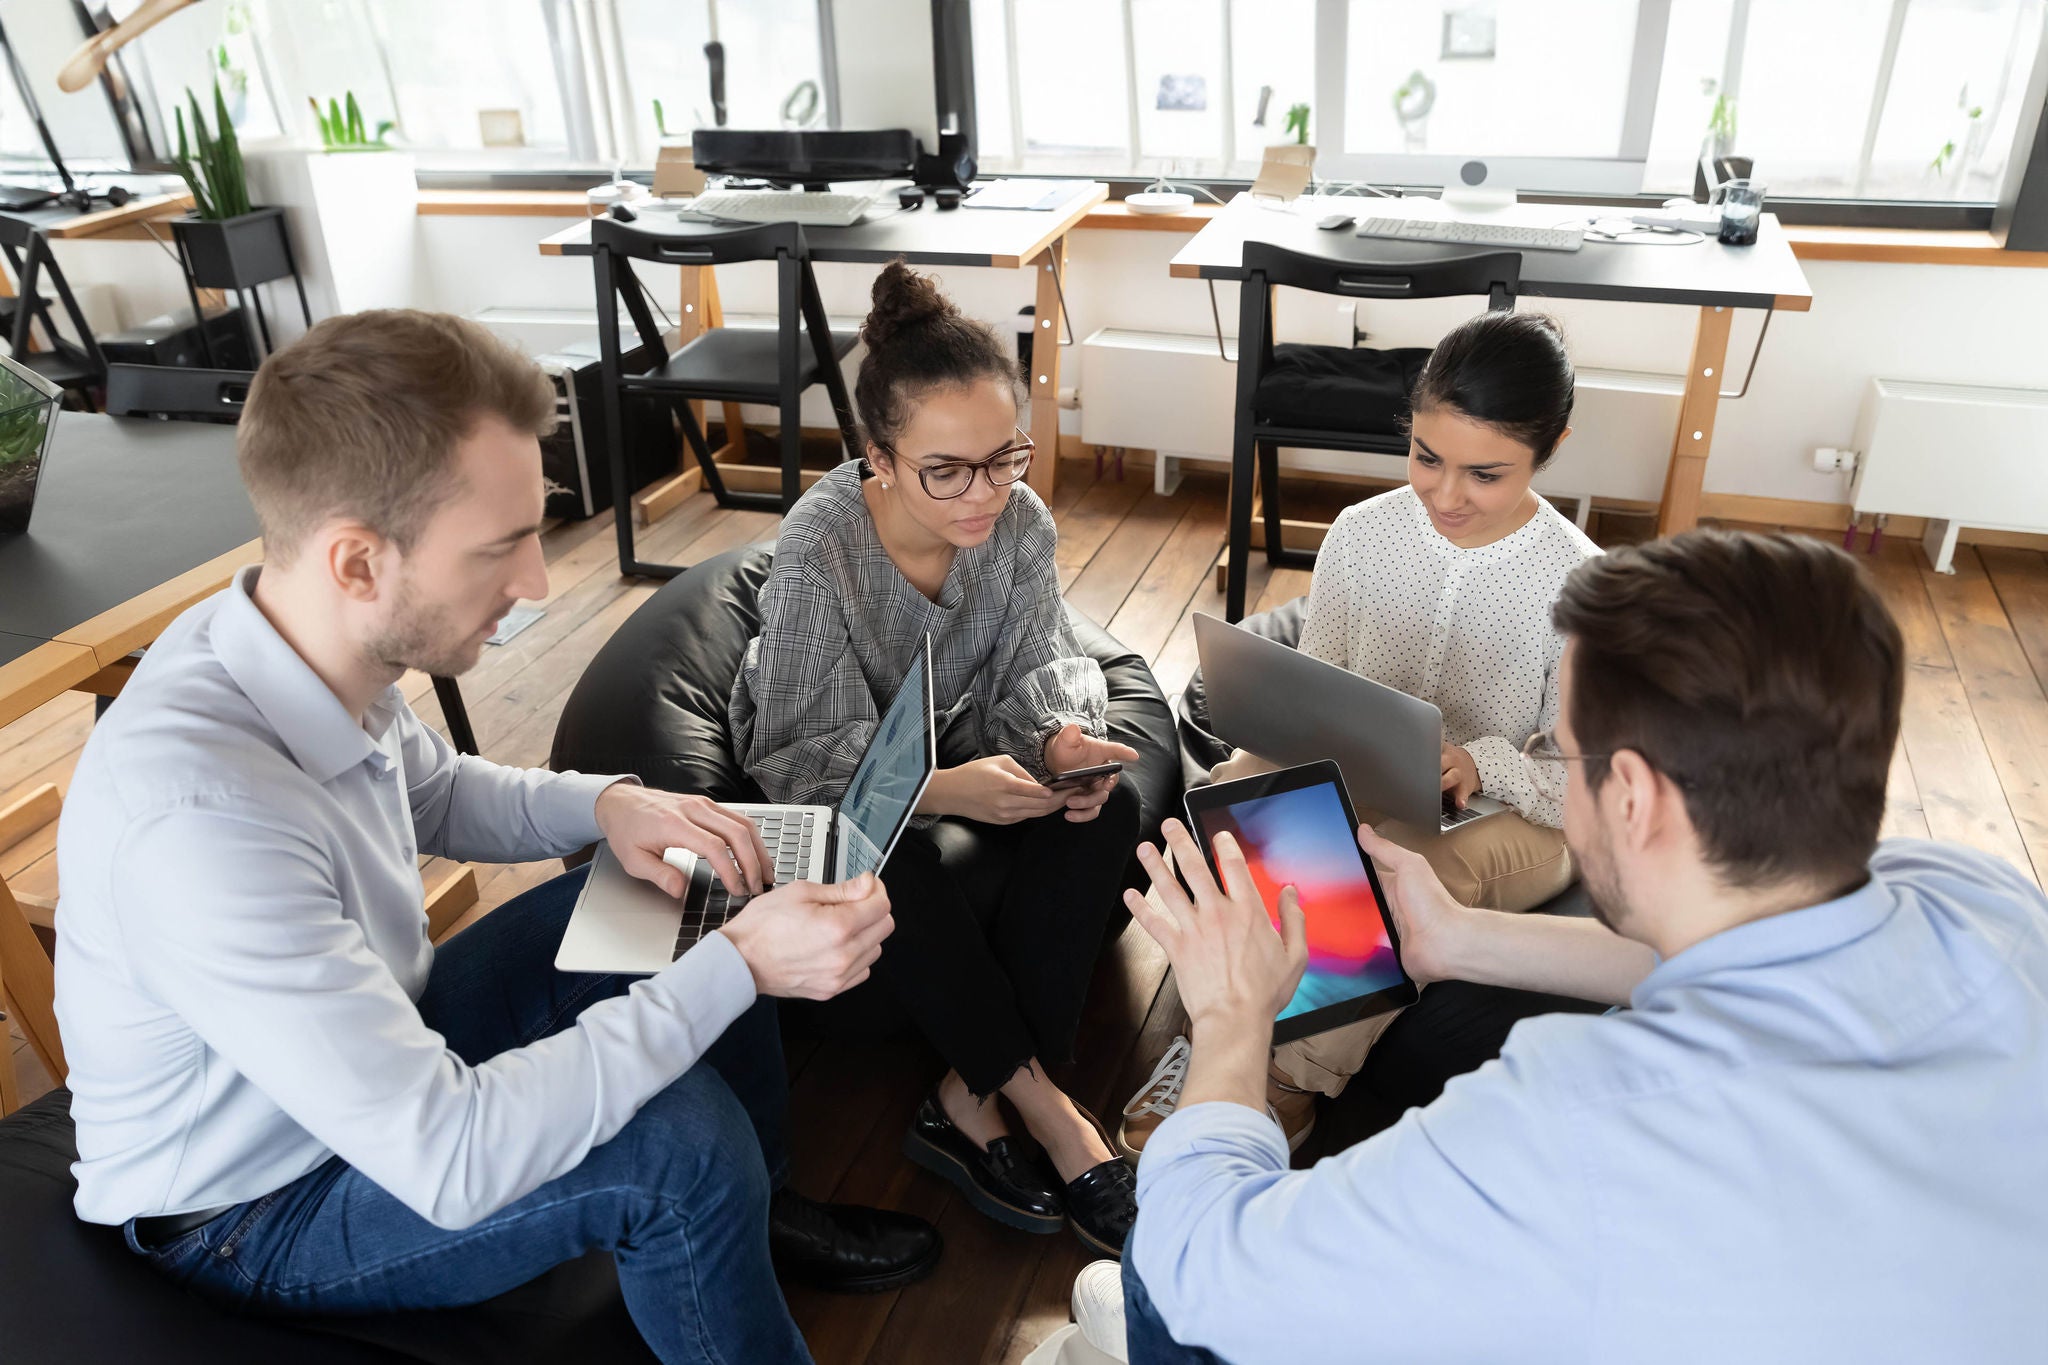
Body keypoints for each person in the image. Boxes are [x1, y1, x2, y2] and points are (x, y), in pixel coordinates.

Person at [54, 310, 941, 1365]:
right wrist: (741, 969)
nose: (537, 583)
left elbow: (439, 793)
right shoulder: (200, 820)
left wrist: (614, 805)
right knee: (678, 1147)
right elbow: (451, 1158)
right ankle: (729, 1229)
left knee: (682, 890)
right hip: (255, 1206)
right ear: (355, 562)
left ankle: (763, 1209)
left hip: (373, 1062)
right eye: (502, 547)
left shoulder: (294, 637)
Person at [1111, 529, 2048, 1364]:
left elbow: (1208, 1272)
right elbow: (1757, 951)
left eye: (1567, 750)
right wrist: (1459, 937)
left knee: (1164, 1283)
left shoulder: (1575, 1116)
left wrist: (1234, 1019)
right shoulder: (1979, 897)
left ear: (1632, 795)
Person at [731, 261, 1142, 1257]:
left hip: (946, 731)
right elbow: (794, 751)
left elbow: (1037, 657)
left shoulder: (1018, 524)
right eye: (944, 470)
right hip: (829, 758)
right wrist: (944, 790)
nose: (984, 493)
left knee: (1111, 809)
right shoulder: (819, 547)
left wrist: (1058, 743)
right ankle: (1049, 1109)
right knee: (882, 858)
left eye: (1005, 459)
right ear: (876, 457)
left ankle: (969, 1088)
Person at [1121, 310, 1601, 1158]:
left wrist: (1476, 759)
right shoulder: (1362, 532)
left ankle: (1285, 1081)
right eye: (1425, 457)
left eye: (1484, 474)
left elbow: (1581, 780)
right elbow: (1315, 687)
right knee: (1236, 790)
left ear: (1552, 444)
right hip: (1366, 777)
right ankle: (1224, 1023)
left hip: (1516, 814)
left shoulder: (1581, 582)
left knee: (1399, 872)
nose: (1445, 495)